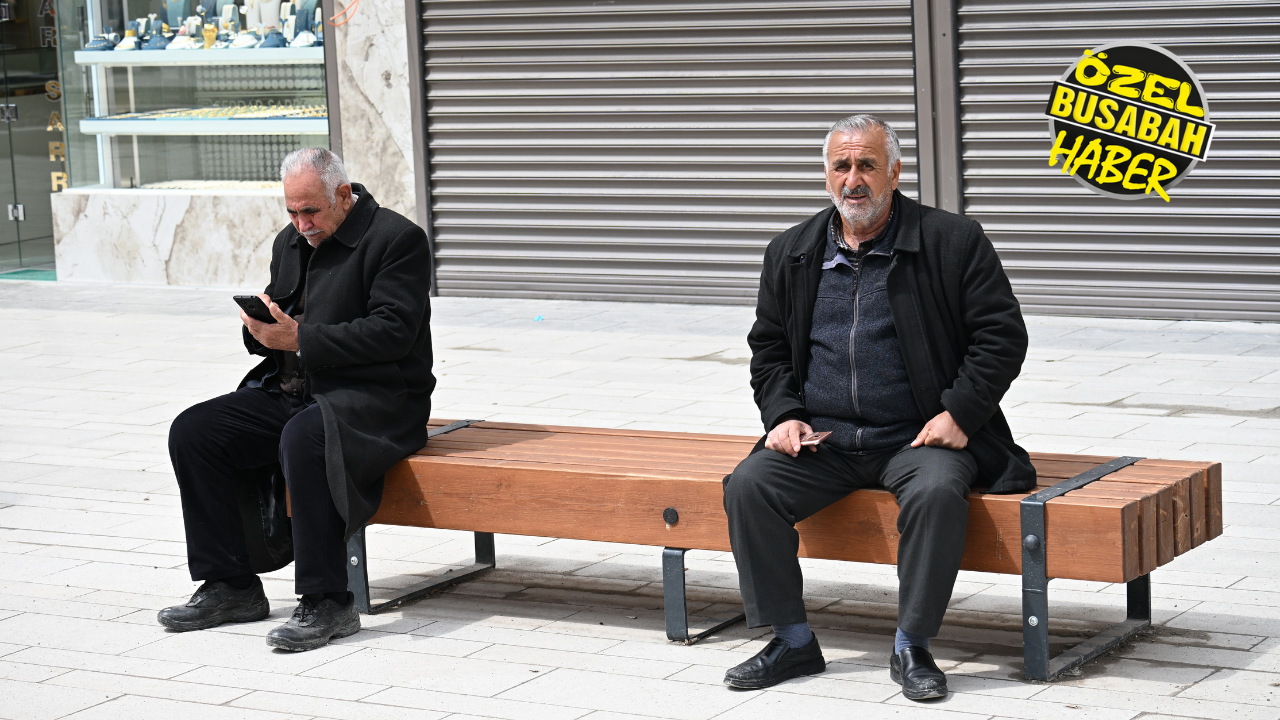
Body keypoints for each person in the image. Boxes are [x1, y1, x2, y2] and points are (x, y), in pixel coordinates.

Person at [721, 115, 1035, 699]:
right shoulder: (790, 251)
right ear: (826, 177)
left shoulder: (952, 241)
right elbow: (767, 348)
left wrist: (960, 415)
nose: (853, 179)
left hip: (917, 437)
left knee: (940, 494)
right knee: (749, 486)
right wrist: (784, 415)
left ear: (895, 170)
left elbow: (1001, 336)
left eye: (867, 164)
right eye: (841, 166)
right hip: (826, 440)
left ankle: (912, 645)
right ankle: (791, 640)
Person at [159, 148, 435, 652]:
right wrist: (262, 328)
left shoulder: (398, 240)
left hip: (375, 400)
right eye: (292, 211)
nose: (301, 223)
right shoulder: (291, 240)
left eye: (311, 211)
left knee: (305, 436)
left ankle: (329, 600)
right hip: (294, 389)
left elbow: (393, 332)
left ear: (344, 196)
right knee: (195, 431)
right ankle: (232, 585)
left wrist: (301, 338)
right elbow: (282, 314)